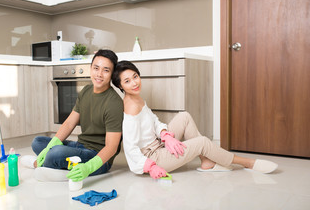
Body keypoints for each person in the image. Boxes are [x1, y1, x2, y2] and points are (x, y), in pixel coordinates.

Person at [111, 60, 278, 179]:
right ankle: (246, 163)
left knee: (184, 116)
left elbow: (153, 120)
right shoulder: (130, 108)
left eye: (135, 76)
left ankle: (207, 162)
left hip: (159, 143)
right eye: (127, 81)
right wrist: (151, 167)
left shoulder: (137, 98)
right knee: (203, 142)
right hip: (153, 157)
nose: (134, 83)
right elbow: (130, 147)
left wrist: (165, 135)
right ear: (120, 86)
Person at [21, 49, 123, 182]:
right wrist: (50, 146)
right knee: (38, 142)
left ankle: (40, 164)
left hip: (97, 156)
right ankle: (53, 163)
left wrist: (88, 167)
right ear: (90, 68)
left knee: (56, 153)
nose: (99, 74)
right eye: (96, 68)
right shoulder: (86, 91)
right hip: (80, 146)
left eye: (106, 70)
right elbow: (69, 123)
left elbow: (111, 147)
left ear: (112, 74)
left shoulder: (114, 103)